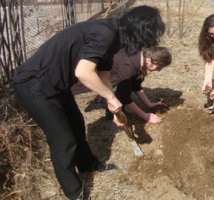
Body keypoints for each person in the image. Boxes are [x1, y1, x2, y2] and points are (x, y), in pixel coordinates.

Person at [12, 5, 165, 200]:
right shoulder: (105, 33)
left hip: (57, 84)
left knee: (77, 124)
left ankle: (87, 165)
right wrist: (110, 98)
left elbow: (103, 75)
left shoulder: (116, 38)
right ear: (141, 28)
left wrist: (114, 102)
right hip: (35, 85)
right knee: (62, 140)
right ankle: (75, 193)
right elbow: (83, 72)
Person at [104, 46, 172, 123]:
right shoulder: (128, 67)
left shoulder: (141, 59)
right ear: (149, 60)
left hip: (121, 73)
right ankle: (111, 119)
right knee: (116, 93)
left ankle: (122, 109)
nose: (159, 71)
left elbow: (136, 85)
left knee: (125, 89)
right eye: (158, 67)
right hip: (106, 74)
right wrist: (144, 115)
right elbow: (124, 95)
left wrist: (149, 104)